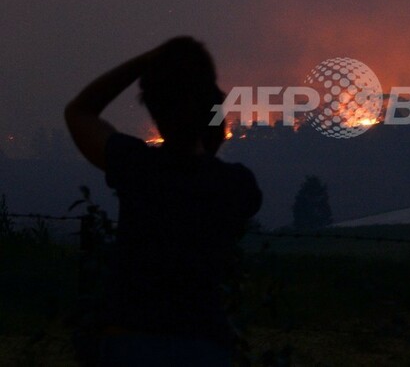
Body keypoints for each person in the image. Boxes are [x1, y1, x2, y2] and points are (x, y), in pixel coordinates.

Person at [64, 37, 262, 366]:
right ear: (212, 110)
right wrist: (210, 109)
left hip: (129, 343)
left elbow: (80, 111)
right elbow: (207, 154)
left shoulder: (136, 167)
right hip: (203, 346)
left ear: (155, 109)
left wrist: (149, 60)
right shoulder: (235, 185)